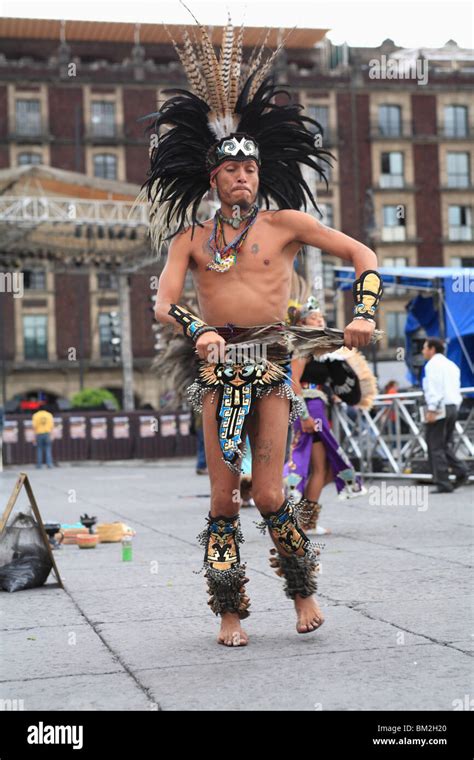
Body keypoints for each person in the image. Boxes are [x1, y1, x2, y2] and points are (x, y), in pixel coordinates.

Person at [142, 15, 383, 646]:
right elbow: (163, 301)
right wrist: (197, 328)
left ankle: (303, 594)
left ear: (259, 172)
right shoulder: (191, 239)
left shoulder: (286, 224)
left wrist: (363, 313)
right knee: (225, 503)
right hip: (218, 371)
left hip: (274, 369)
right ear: (213, 178)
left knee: (273, 492)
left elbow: (365, 256)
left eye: (250, 167)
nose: (243, 176)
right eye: (231, 170)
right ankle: (228, 613)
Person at [283, 297, 376, 534]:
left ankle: (304, 520)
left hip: (318, 407)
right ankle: (303, 520)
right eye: (314, 317)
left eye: (321, 316)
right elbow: (293, 382)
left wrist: (334, 394)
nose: (320, 320)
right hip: (309, 408)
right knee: (318, 466)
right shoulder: (302, 346)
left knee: (323, 468)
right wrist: (303, 415)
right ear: (303, 322)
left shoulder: (321, 350)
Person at [421, 338, 469, 493]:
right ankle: (461, 471)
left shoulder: (433, 365)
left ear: (432, 349)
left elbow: (435, 388)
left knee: (435, 446)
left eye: (425, 348)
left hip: (440, 407)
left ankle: (444, 482)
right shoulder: (451, 365)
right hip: (453, 406)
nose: (423, 351)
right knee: (445, 444)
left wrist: (432, 409)